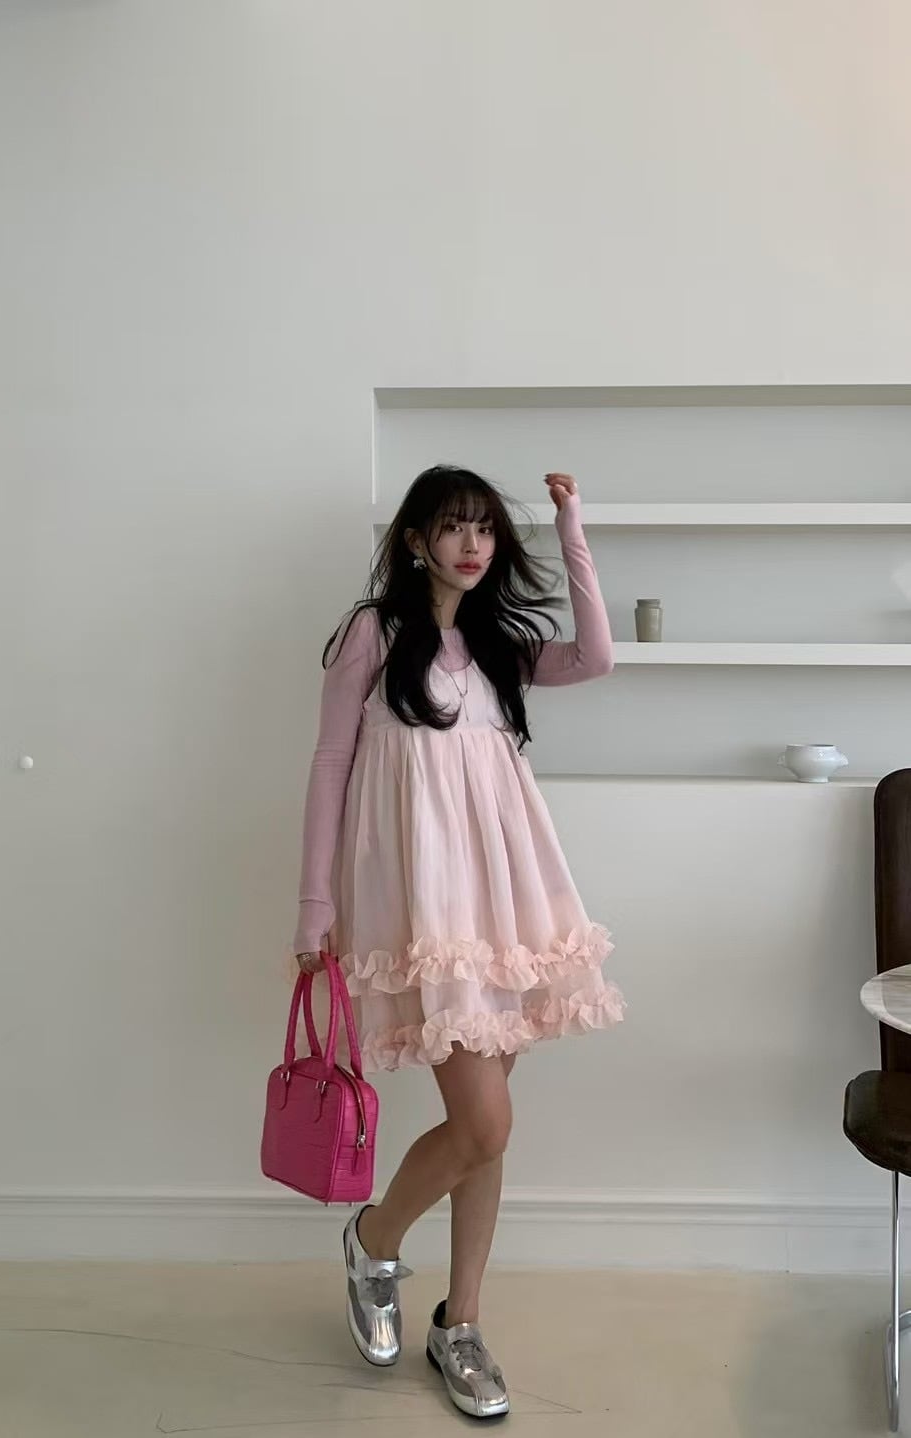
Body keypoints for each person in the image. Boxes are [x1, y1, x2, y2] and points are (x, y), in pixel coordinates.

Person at [291, 464, 623, 1419]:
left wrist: (571, 527)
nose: (472, 544)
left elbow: (597, 658)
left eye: (484, 529)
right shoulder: (373, 634)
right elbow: (329, 764)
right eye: (453, 527)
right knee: (484, 1124)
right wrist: (314, 907)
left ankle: (462, 1323)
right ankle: (375, 1241)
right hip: (422, 904)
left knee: (490, 1125)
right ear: (415, 541)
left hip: (507, 903)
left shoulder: (496, 646)